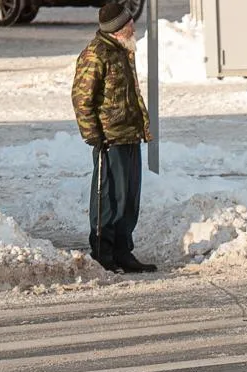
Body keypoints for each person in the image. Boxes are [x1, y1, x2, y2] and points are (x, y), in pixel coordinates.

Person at [72, 2, 157, 273]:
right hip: (109, 138)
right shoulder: (96, 54)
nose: (133, 25)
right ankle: (103, 252)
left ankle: (123, 251)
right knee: (109, 198)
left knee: (129, 198)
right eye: (129, 22)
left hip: (129, 135)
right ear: (118, 28)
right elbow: (82, 99)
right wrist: (93, 135)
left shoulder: (122, 51)